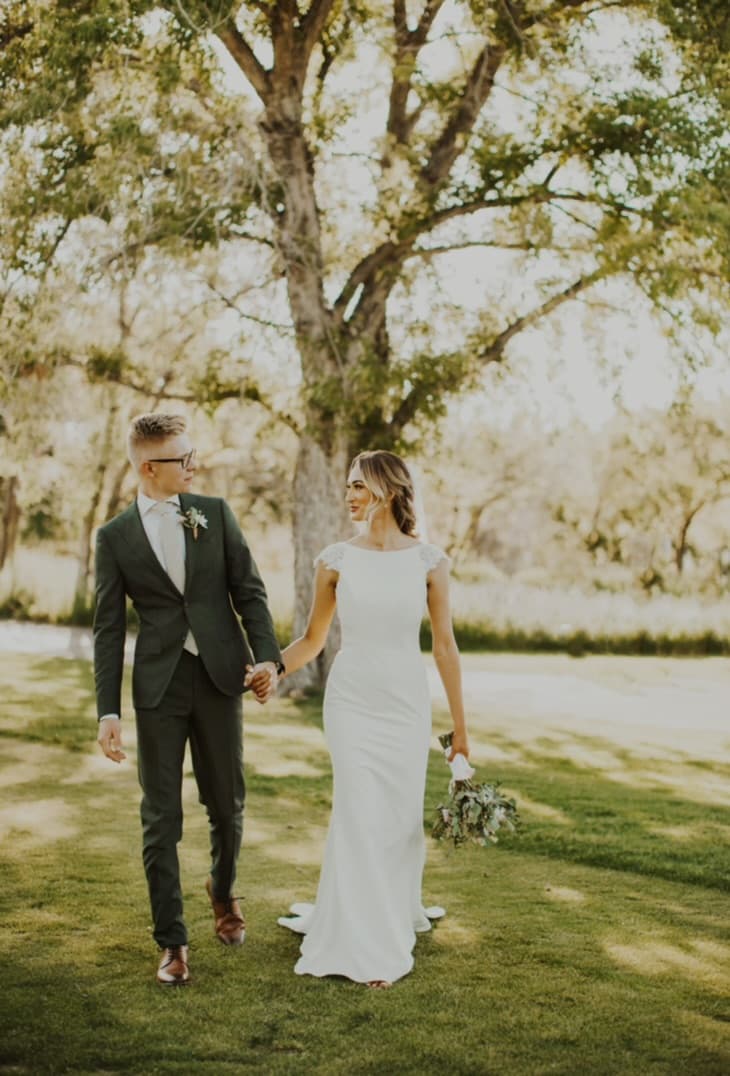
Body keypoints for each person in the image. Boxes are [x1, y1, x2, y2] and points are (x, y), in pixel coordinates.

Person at [262, 449, 469, 988]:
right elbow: (312, 641)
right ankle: (364, 944)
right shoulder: (335, 559)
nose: (349, 494)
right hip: (351, 701)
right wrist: (273, 667)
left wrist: (461, 732)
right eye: (348, 486)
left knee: (398, 819)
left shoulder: (430, 562)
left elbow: (445, 648)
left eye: (359, 485)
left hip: (404, 703)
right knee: (357, 812)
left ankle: (389, 914)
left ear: (390, 489)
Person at [93, 413, 283, 987]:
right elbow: (107, 627)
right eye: (183, 458)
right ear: (150, 468)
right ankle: (173, 942)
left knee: (226, 806)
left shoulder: (216, 514)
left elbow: (249, 591)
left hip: (222, 677)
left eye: (193, 454)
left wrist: (269, 658)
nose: (194, 464)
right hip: (158, 686)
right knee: (161, 817)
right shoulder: (115, 537)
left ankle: (222, 892)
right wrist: (108, 711)